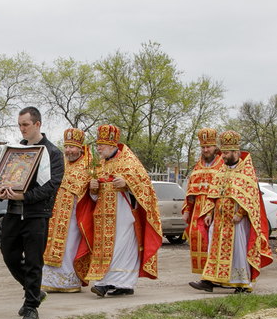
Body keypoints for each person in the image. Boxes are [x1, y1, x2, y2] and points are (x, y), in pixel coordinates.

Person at [73, 124, 164, 297]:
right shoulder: (100, 164)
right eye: (98, 144)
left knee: (121, 249)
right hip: (102, 216)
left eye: (102, 145)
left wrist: (128, 185)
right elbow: (94, 196)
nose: (98, 148)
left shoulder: (129, 162)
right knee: (105, 249)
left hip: (123, 216)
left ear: (113, 144)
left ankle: (112, 284)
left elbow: (145, 188)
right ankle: (116, 284)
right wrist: (92, 189)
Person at [0, 107, 64, 319]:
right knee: (9, 255)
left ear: (37, 124)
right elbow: (5, 176)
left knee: (34, 261)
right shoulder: (15, 150)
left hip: (36, 214)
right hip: (13, 213)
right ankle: (33, 291)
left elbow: (52, 186)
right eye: (19, 125)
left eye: (25, 124)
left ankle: (31, 307)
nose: (22, 129)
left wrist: (25, 196)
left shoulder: (52, 152)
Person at [198, 130, 273, 292]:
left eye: (226, 153)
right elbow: (213, 194)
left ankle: (242, 284)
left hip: (237, 220)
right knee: (214, 250)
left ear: (236, 152)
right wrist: (209, 213)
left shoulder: (246, 171)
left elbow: (251, 198)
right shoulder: (221, 170)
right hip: (219, 220)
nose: (223, 156)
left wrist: (240, 214)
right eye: (222, 152)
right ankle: (209, 280)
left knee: (238, 251)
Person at [42, 128, 93, 293]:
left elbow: (92, 195)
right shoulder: (61, 162)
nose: (69, 150)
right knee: (50, 244)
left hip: (74, 215)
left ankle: (68, 282)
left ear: (80, 147)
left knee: (69, 247)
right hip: (55, 213)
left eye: (73, 147)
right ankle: (49, 280)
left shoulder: (88, 166)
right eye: (67, 146)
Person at [185, 128, 223, 292]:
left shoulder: (222, 165)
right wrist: (187, 208)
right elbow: (190, 189)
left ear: (215, 147)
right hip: (198, 209)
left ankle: (213, 277)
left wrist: (212, 210)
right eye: (203, 148)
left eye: (209, 147)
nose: (206, 150)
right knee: (199, 240)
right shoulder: (198, 165)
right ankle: (206, 276)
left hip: (216, 209)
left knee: (215, 243)